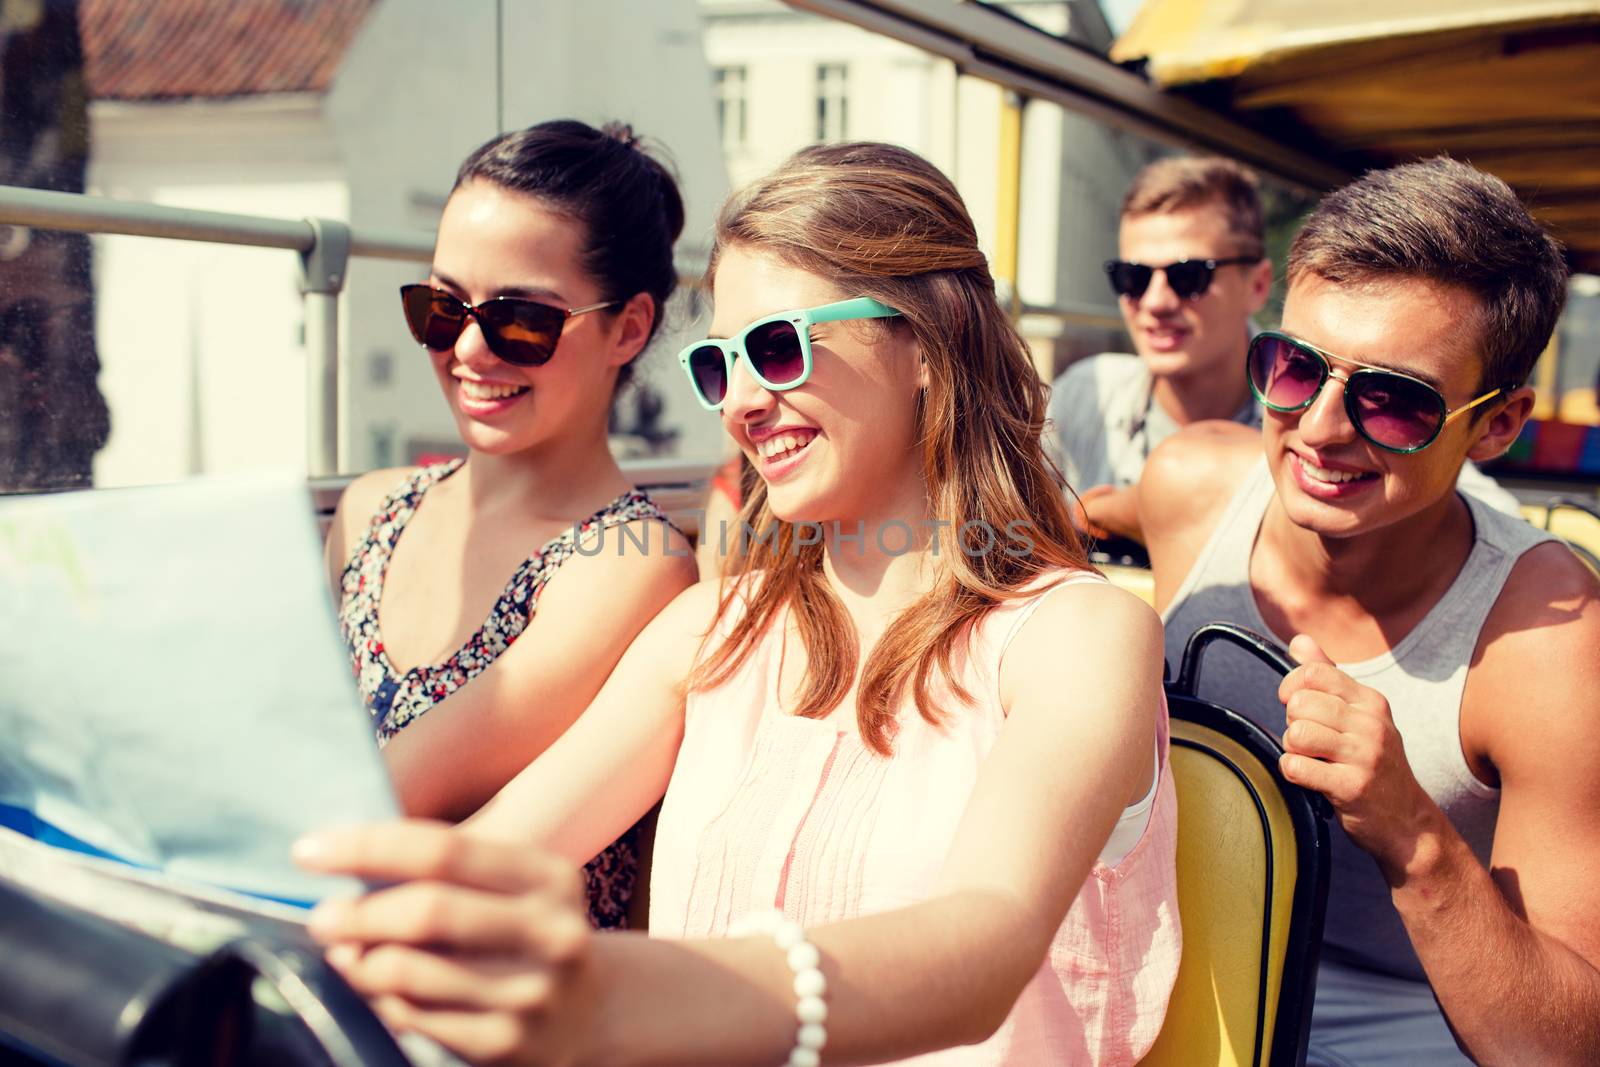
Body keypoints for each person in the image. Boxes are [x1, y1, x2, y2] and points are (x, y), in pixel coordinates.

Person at [296, 142, 1180, 1067]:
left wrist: (612, 993)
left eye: (777, 349)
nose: (743, 402)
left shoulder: (1081, 635)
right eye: (721, 364)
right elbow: (503, 851)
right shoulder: (712, 630)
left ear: (925, 341)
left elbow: (983, 948)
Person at [1139, 158, 1600, 1066]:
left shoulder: (1550, 636)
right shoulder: (1189, 487)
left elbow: (1565, 1045)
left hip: (1413, 1017)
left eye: (1394, 400)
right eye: (1292, 366)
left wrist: (1413, 830)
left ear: (1499, 425)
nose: (1318, 426)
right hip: (1171, 967)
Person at [322, 120, 697, 928]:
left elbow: (383, 795)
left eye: (521, 319)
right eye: (440, 305)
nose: (467, 348)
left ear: (627, 328)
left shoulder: (631, 565)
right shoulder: (367, 511)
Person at [1050, 155, 1520, 544]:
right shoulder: (1085, 393)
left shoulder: (1319, 404)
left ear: (1257, 285)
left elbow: (1492, 524)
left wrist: (1159, 509)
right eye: (1130, 277)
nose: (1153, 302)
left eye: (1187, 277)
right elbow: (998, 532)